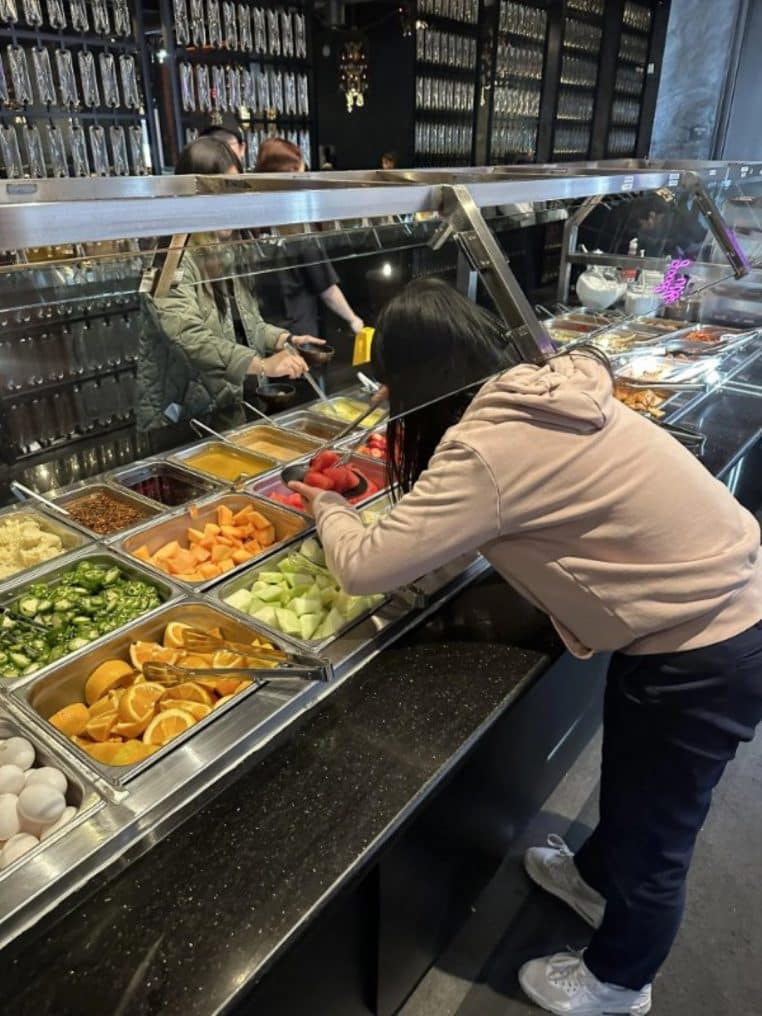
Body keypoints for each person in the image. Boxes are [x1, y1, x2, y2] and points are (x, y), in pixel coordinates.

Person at [290, 277, 762, 1016]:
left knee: (660, 835)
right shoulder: (536, 387)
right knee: (636, 784)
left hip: (708, 643)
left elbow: (361, 565)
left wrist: (323, 506)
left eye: (390, 387)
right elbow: (465, 534)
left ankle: (619, 982)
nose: (387, 403)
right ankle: (594, 881)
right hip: (706, 608)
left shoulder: (487, 448)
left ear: (418, 379)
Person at [137, 137, 319, 432]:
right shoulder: (167, 258)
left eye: (234, 193)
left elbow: (245, 324)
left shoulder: (224, 250)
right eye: (220, 193)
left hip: (224, 411)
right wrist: (262, 365)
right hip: (179, 419)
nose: (230, 206)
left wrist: (282, 340)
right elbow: (188, 336)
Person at [254, 137, 365, 337]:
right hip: (298, 331)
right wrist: (353, 319)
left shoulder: (253, 217)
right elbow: (327, 290)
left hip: (262, 330)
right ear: (291, 173)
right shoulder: (297, 226)